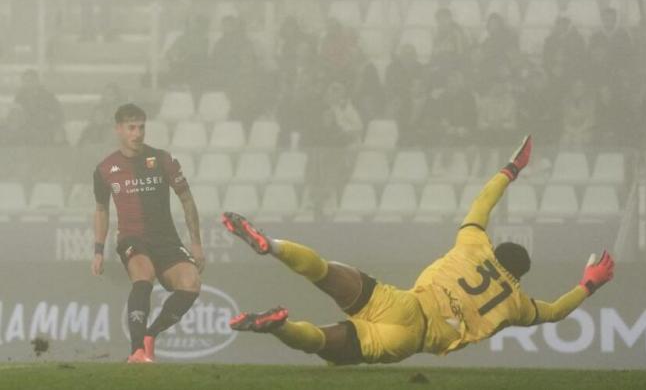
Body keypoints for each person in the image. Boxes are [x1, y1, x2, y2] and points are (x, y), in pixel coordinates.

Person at [222, 136, 615, 365]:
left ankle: (270, 245)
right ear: (520, 275)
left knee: (322, 272)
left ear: (498, 251)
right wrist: (590, 283)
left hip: (404, 304)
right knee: (325, 344)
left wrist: (512, 168)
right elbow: (556, 311)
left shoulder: (475, 244)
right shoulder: (517, 305)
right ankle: (279, 326)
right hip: (410, 341)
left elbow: (482, 204)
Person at [91, 104, 205, 363]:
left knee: (191, 283)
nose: (138, 133)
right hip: (133, 239)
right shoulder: (105, 169)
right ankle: (136, 352)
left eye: (141, 127)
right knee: (143, 276)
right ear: (118, 129)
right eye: (131, 128)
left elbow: (187, 199)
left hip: (167, 240)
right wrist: (98, 250)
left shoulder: (162, 159)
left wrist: (196, 244)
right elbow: (101, 210)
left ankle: (150, 335)